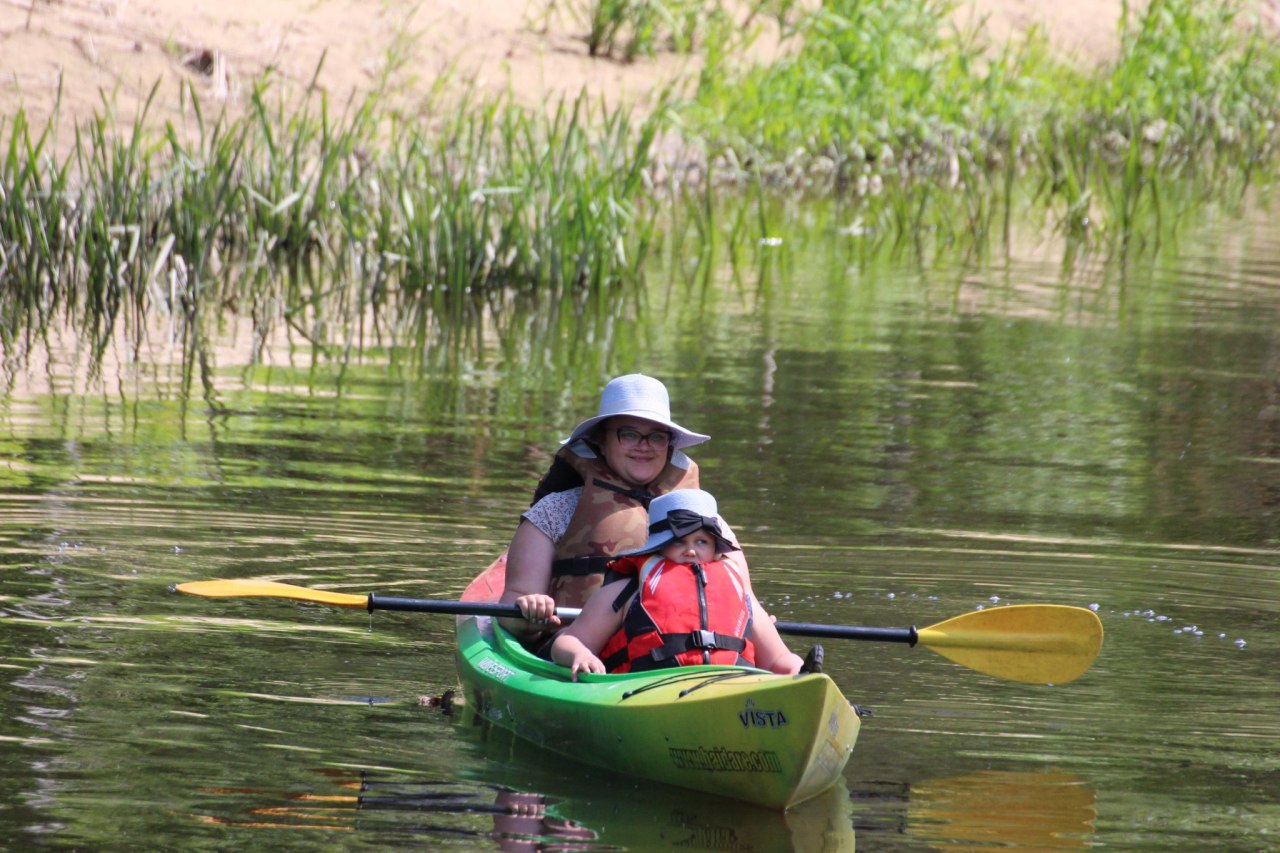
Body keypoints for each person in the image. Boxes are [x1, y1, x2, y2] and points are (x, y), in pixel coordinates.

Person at [498, 374, 725, 644]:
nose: (644, 446)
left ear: (669, 445)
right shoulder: (556, 510)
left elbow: (739, 594)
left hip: (678, 654)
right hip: (574, 653)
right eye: (628, 434)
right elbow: (510, 610)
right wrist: (528, 611)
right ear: (601, 441)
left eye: (656, 436)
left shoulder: (705, 520)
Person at [549, 489, 806, 679]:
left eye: (701, 542)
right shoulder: (627, 590)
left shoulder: (739, 594)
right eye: (678, 542)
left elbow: (779, 659)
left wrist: (798, 672)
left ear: (716, 549)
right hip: (646, 690)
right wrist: (580, 656)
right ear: (658, 548)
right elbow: (567, 642)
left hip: (734, 689)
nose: (691, 551)